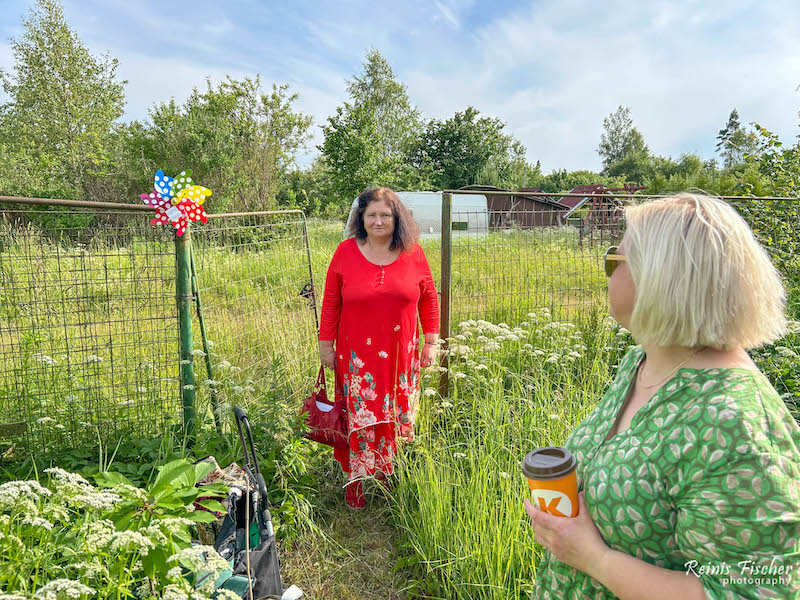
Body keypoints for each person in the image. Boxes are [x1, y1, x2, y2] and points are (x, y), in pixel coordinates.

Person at [524, 193, 800, 599]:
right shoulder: (644, 362)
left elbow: (756, 591)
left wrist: (594, 559)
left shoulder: (732, 423)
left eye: (612, 260)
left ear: (660, 277)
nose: (606, 274)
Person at [319, 187, 440, 509]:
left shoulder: (414, 253)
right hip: (356, 356)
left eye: (385, 214)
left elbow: (429, 299)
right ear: (361, 218)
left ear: (397, 218)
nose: (378, 220)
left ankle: (385, 477)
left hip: (401, 354)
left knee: (388, 416)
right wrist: (324, 346)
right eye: (371, 214)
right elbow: (331, 302)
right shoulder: (345, 251)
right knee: (356, 417)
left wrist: (431, 343)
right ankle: (355, 484)